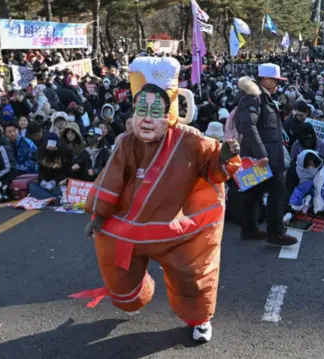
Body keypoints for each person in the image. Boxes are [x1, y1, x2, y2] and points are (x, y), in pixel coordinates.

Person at [70, 57, 241, 343]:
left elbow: (213, 167)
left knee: (193, 275)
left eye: (156, 110)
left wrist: (224, 156)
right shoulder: (127, 142)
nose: (147, 118)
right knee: (118, 276)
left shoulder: (191, 140)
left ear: (171, 110)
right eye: (141, 109)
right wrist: (98, 216)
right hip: (129, 228)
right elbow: (111, 178)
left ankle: (200, 319)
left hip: (177, 230)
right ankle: (137, 294)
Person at [234, 64, 297, 246]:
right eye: (276, 80)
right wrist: (262, 154)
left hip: (265, 155)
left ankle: (249, 229)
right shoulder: (254, 97)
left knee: (254, 193)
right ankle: (275, 233)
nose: (278, 84)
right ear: (267, 80)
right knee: (277, 192)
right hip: (263, 157)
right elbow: (248, 126)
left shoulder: (262, 98)